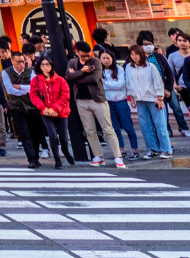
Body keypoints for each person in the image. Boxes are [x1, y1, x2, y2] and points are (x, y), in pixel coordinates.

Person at [66, 39, 125, 168]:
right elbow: (68, 77)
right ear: (77, 52)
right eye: (83, 55)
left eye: (88, 55)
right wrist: (82, 72)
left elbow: (94, 78)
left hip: (97, 99)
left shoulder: (96, 61)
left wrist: (76, 77)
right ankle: (98, 156)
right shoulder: (72, 62)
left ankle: (118, 156)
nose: (86, 58)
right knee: (89, 130)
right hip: (81, 100)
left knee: (108, 129)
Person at [140, 31, 188, 139]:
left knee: (177, 108)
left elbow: (169, 73)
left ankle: (184, 128)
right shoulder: (139, 59)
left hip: (166, 87)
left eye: (150, 44)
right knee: (163, 111)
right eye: (145, 44)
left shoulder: (159, 56)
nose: (148, 46)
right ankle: (167, 130)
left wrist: (169, 88)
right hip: (153, 91)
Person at [126, 43, 171, 157]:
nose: (134, 57)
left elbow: (158, 82)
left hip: (153, 99)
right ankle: (152, 149)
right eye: (132, 54)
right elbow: (128, 83)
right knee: (145, 126)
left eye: (137, 54)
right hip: (140, 100)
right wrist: (131, 97)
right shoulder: (129, 67)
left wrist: (160, 98)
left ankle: (166, 149)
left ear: (141, 54)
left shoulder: (151, 67)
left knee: (160, 124)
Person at [2, 49, 44, 167]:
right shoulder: (6, 72)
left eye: (23, 61)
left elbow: (34, 88)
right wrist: (25, 90)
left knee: (34, 133)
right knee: (24, 133)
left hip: (32, 106)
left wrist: (20, 87)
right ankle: (31, 159)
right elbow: (10, 90)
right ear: (12, 61)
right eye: (18, 62)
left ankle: (36, 157)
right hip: (16, 107)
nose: (21, 64)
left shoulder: (31, 72)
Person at [29, 55, 73, 167]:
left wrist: (55, 108)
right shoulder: (36, 80)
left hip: (61, 112)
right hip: (46, 112)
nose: (45, 67)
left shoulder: (60, 80)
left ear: (52, 66)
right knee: (52, 136)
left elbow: (65, 96)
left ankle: (66, 151)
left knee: (63, 137)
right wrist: (43, 108)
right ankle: (57, 159)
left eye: (47, 64)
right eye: (43, 64)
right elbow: (34, 96)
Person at [100, 48, 140, 160]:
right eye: (103, 58)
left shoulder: (119, 69)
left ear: (112, 58)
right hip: (108, 102)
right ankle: (121, 149)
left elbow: (120, 84)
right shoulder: (100, 71)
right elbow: (100, 87)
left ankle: (134, 150)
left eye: (108, 58)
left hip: (121, 101)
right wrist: (109, 84)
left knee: (129, 127)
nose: (106, 60)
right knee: (115, 128)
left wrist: (105, 84)